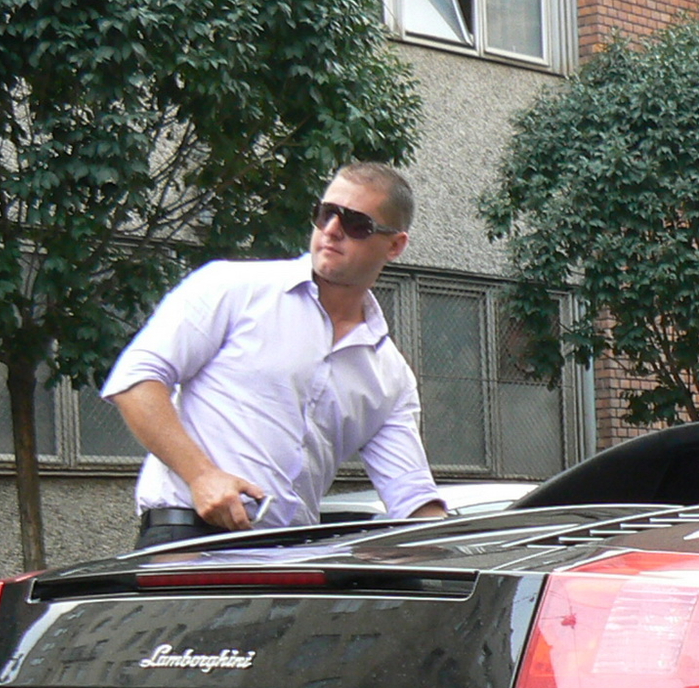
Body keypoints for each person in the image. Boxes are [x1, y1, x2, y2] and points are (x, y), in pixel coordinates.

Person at [102, 161, 447, 548]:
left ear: (395, 244)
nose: (331, 230)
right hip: (188, 538)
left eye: (356, 224)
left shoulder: (390, 375)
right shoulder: (233, 288)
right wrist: (201, 476)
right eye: (325, 213)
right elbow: (135, 380)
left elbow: (411, 497)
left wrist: (477, 547)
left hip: (289, 558)